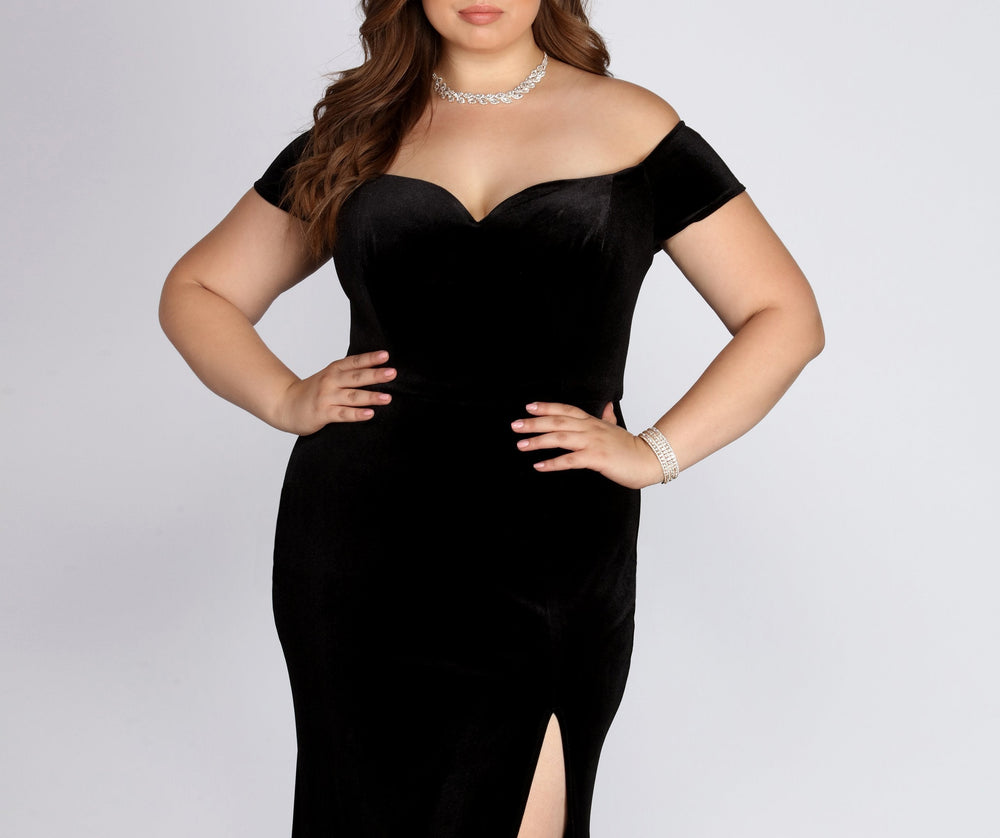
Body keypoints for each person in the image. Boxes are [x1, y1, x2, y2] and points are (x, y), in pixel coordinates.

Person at [159, 1, 824, 835]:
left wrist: (656, 452)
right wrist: (282, 395)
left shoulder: (635, 127)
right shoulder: (360, 130)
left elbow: (784, 317)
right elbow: (198, 291)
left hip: (553, 546)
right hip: (361, 547)